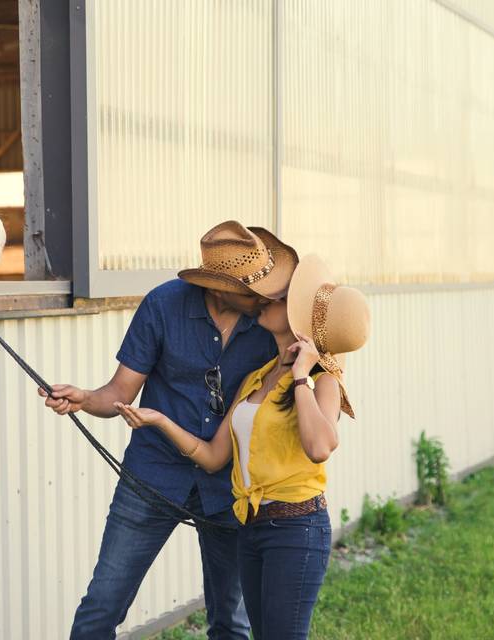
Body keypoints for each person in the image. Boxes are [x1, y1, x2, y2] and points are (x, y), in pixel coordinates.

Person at [39, 221, 299, 639]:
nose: (264, 295)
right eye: (251, 289)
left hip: (231, 484)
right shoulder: (163, 305)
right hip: (152, 476)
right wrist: (84, 398)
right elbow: (120, 391)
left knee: (231, 621)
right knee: (102, 606)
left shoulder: (269, 322)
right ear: (217, 287)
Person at [117, 254, 370, 639]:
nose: (266, 300)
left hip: (295, 527)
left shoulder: (324, 380)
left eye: (281, 300)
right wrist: (160, 420)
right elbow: (215, 456)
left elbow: (321, 446)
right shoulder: (257, 376)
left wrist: (301, 376)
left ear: (298, 320)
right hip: (250, 527)